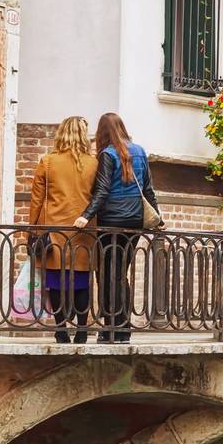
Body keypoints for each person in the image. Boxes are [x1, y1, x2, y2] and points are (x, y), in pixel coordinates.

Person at [74, 113, 161, 343]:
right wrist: (158, 218)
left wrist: (85, 215)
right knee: (121, 274)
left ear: (102, 132)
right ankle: (123, 328)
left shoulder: (108, 154)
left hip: (111, 222)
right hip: (134, 222)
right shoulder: (140, 151)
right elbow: (149, 189)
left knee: (107, 274)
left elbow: (101, 192)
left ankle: (111, 327)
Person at [29, 116, 98, 343]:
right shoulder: (94, 163)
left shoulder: (48, 161)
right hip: (84, 231)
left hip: (55, 230)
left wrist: (32, 231)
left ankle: (60, 329)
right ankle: (81, 330)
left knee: (56, 280)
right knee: (81, 280)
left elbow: (37, 201)